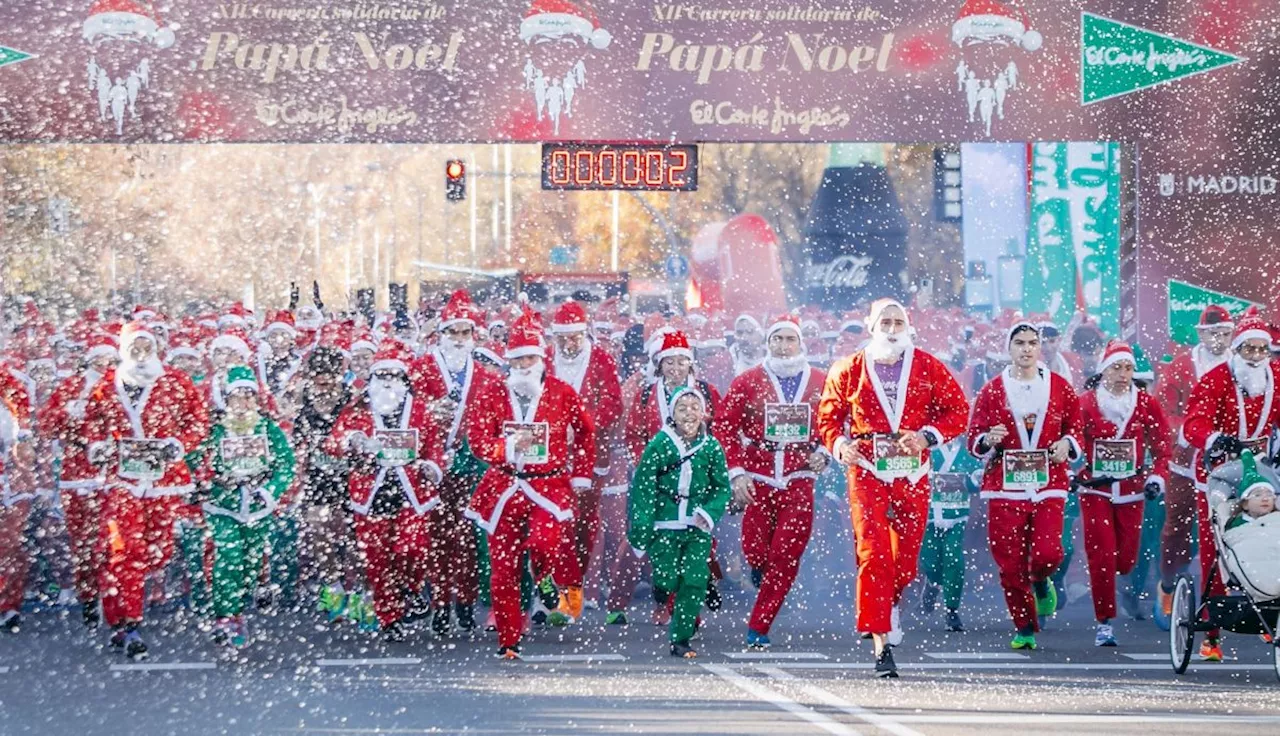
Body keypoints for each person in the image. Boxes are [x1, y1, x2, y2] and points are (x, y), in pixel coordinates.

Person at [817, 299, 970, 677]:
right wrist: (840, 445)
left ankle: (890, 601)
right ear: (870, 325)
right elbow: (828, 418)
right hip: (867, 468)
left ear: (908, 325)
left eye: (898, 321)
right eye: (884, 320)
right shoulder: (848, 369)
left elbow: (958, 411)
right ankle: (880, 640)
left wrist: (928, 436)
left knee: (905, 559)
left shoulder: (928, 366)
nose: (891, 327)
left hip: (912, 472)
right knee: (873, 551)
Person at [464, 313, 595, 659]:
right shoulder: (492, 392)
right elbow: (476, 438)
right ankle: (508, 639)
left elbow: (585, 433)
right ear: (509, 361)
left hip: (547, 487)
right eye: (518, 358)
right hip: (503, 486)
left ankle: (546, 577)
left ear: (541, 359)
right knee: (503, 568)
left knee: (545, 542)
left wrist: (581, 472)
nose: (524, 364)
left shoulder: (561, 392)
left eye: (530, 357)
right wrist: (504, 448)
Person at [83, 321, 209, 660]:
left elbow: (198, 420)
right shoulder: (108, 386)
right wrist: (99, 447)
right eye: (134, 350)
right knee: (126, 549)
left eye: (146, 349)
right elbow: (92, 423)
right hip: (122, 480)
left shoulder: (175, 382)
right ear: (123, 351)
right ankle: (129, 624)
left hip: (161, 480)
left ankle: (115, 604)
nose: (140, 356)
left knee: (158, 552)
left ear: (155, 350)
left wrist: (178, 444)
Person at [967, 321, 1081, 652]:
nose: (1027, 348)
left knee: (1048, 552)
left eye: (1033, 342)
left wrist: (1067, 443)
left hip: (1048, 483)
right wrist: (988, 439)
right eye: (1020, 342)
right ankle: (1024, 625)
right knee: (1009, 563)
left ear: (1040, 347)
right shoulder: (991, 390)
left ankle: (1041, 579)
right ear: (1009, 348)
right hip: (1004, 486)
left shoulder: (1060, 387)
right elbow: (974, 438)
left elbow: (1075, 426)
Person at [716, 315, 828, 649]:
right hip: (758, 476)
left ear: (800, 343)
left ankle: (759, 625)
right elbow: (723, 426)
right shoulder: (748, 381)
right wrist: (736, 472)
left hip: (799, 477)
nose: (782, 346)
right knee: (755, 550)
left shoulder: (821, 381)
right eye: (776, 339)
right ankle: (757, 568)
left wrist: (825, 451)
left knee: (786, 554)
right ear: (768, 344)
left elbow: (837, 422)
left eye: (788, 339)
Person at [1177, 309, 1280, 662]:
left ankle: (1271, 606)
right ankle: (1213, 633)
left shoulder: (1276, 377)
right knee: (1216, 546)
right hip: (1221, 473)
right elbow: (1194, 423)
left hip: (1265, 472)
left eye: (1260, 350)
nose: (1254, 357)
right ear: (1235, 350)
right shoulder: (1216, 380)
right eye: (1247, 349)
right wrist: (1215, 439)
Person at [327, 342, 446, 642]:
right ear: (373, 378)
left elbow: (434, 445)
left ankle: (412, 587)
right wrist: (351, 439)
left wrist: (432, 465)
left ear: (404, 379)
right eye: (383, 375)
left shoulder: (419, 409)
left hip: (411, 491)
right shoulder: (358, 408)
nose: (389, 381)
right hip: (371, 491)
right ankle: (389, 617)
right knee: (377, 560)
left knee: (412, 547)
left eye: (395, 375)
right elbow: (334, 441)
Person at [410, 290, 506, 636]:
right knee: (436, 538)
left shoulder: (486, 375)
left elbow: (497, 419)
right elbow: (406, 414)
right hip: (433, 466)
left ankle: (464, 603)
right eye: (454, 332)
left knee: (466, 536)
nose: (460, 339)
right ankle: (439, 604)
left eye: (465, 333)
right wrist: (429, 413)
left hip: (470, 465)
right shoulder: (421, 369)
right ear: (442, 334)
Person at [186, 366, 295, 648]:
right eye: (237, 397)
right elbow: (191, 459)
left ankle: (238, 607)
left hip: (258, 507)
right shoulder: (215, 430)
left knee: (250, 561)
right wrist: (202, 484)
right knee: (227, 556)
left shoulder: (268, 428)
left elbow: (286, 466)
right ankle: (225, 616)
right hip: (223, 504)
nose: (243, 403)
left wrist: (269, 491)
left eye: (248, 397)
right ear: (227, 399)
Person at [1076, 342, 1172, 647]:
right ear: (1103, 370)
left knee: (1126, 560)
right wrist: (1072, 472)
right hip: (1096, 489)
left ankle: (1122, 580)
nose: (1122, 374)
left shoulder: (1146, 404)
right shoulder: (1086, 403)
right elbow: (1072, 442)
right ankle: (1104, 622)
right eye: (1116, 367)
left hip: (1132, 491)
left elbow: (1163, 447)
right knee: (1101, 553)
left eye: (1128, 368)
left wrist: (1157, 477)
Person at [628, 386, 731, 658]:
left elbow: (721, 487)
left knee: (693, 580)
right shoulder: (659, 445)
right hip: (665, 524)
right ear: (672, 413)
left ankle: (681, 638)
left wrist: (709, 512)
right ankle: (663, 589)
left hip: (697, 525)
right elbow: (644, 486)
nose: (689, 414)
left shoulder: (711, 446)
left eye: (694, 407)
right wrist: (643, 524)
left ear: (704, 412)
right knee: (667, 577)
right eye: (682, 408)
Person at [1153, 304, 1233, 627]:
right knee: (1178, 529)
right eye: (1213, 334)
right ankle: (1169, 583)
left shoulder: (1238, 366)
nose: (1219, 340)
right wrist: (1193, 431)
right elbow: (1164, 411)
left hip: (1226, 465)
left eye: (1225, 333)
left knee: (1231, 528)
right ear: (1201, 334)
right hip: (1185, 464)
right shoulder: (1181, 367)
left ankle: (1237, 595)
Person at [548, 301, 623, 626]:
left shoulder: (601, 360)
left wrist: (582, 423)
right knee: (550, 524)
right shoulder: (544, 362)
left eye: (575, 338)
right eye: (563, 338)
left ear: (585, 333)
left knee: (582, 529)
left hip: (589, 456)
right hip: (549, 459)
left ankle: (572, 593)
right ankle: (549, 592)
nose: (569, 345)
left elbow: (614, 402)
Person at [42, 334, 117, 627]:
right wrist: (67, 415)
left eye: (110, 358)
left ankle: (113, 599)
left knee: (110, 541)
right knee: (82, 542)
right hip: (76, 475)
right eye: (100, 357)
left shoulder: (120, 386)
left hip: (109, 475)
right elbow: (48, 423)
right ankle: (88, 596)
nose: (104, 363)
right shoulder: (72, 386)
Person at [292, 346, 360, 625]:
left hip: (350, 479)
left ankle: (357, 597)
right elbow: (299, 447)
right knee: (320, 535)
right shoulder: (304, 405)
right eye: (319, 376)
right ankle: (332, 591)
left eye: (330, 376)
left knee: (354, 541)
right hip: (319, 480)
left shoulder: (352, 402)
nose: (324, 383)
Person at [0, 364, 33, 633]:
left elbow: (19, 398)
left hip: (9, 479)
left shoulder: (7, 382)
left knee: (8, 546)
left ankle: (8, 605)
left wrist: (21, 434)